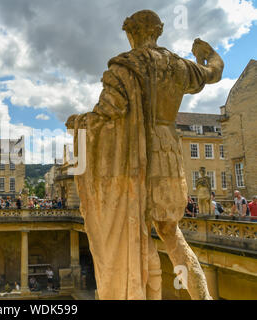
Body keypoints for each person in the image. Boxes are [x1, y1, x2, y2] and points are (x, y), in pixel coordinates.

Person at [65, 10, 223, 300]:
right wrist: (206, 53)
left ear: (130, 33)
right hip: (169, 154)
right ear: (158, 31)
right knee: (173, 236)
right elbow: (215, 71)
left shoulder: (125, 67)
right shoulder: (178, 66)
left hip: (136, 160)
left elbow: (105, 115)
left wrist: (78, 123)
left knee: (134, 234)